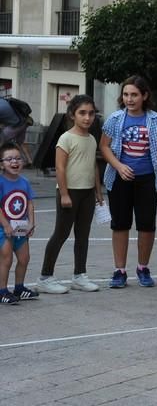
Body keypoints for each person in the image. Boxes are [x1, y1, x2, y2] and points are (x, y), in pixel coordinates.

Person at [99, 75, 157, 289]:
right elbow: (104, 146)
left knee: (146, 225)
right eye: (126, 94)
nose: (129, 99)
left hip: (147, 179)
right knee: (120, 225)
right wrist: (118, 166)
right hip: (119, 178)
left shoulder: (155, 120)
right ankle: (119, 270)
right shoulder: (115, 119)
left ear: (144, 96)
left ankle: (143, 267)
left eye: (134, 94)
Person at [37, 95, 104, 294]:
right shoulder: (66, 138)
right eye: (82, 113)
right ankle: (45, 277)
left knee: (83, 235)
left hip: (87, 194)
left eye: (91, 113)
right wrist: (64, 194)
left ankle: (79, 276)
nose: (87, 118)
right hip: (70, 193)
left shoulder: (92, 139)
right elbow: (60, 168)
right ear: (72, 115)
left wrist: (98, 193)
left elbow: (93, 166)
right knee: (61, 234)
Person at [0, 142, 38, 303]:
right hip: (4, 230)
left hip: (21, 228)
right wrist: (6, 225)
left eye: (18, 158)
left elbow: (29, 203)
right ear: (1, 164)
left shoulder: (24, 182)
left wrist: (31, 223)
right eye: (9, 159)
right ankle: (2, 291)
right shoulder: (1, 182)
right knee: (6, 259)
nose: (14, 162)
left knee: (24, 258)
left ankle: (19, 287)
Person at [0, 97, 32, 166]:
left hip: (15, 125)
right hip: (24, 122)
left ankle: (1, 163)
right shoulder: (3, 100)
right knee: (21, 143)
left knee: (1, 142)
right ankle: (30, 161)